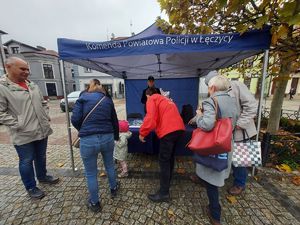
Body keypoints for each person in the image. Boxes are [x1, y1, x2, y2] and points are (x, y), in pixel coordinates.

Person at [0, 57, 59, 199]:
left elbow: (43, 102)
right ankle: (31, 187)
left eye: (27, 69)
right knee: (26, 161)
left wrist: (45, 115)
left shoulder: (32, 85)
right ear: (8, 67)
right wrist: (18, 123)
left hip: (41, 129)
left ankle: (43, 176)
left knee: (41, 156)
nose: (27, 72)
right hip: (23, 133)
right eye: (22, 69)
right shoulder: (2, 88)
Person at [204, 71, 258, 196]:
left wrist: (240, 123)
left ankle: (240, 184)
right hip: (227, 133)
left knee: (241, 159)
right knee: (228, 157)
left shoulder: (237, 85)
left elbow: (252, 106)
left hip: (242, 131)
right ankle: (225, 177)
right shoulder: (214, 94)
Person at [194, 75, 238, 225]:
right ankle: (214, 210)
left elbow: (206, 124)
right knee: (216, 176)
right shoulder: (233, 101)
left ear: (212, 88)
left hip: (214, 146)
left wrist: (199, 116)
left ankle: (215, 214)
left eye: (208, 87)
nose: (208, 89)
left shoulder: (211, 100)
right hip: (226, 145)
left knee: (212, 181)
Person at [71, 78, 119, 213]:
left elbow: (74, 119)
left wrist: (84, 129)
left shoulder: (83, 98)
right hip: (107, 137)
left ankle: (95, 203)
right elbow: (114, 121)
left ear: (89, 87)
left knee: (91, 173)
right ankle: (114, 188)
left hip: (88, 139)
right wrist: (115, 137)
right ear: (100, 87)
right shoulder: (107, 100)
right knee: (109, 164)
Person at [139, 87, 185, 202]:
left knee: (163, 161)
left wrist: (142, 133)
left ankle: (164, 193)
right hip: (179, 130)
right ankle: (167, 182)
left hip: (168, 132)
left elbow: (150, 119)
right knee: (169, 159)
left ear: (148, 95)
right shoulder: (166, 99)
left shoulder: (151, 99)